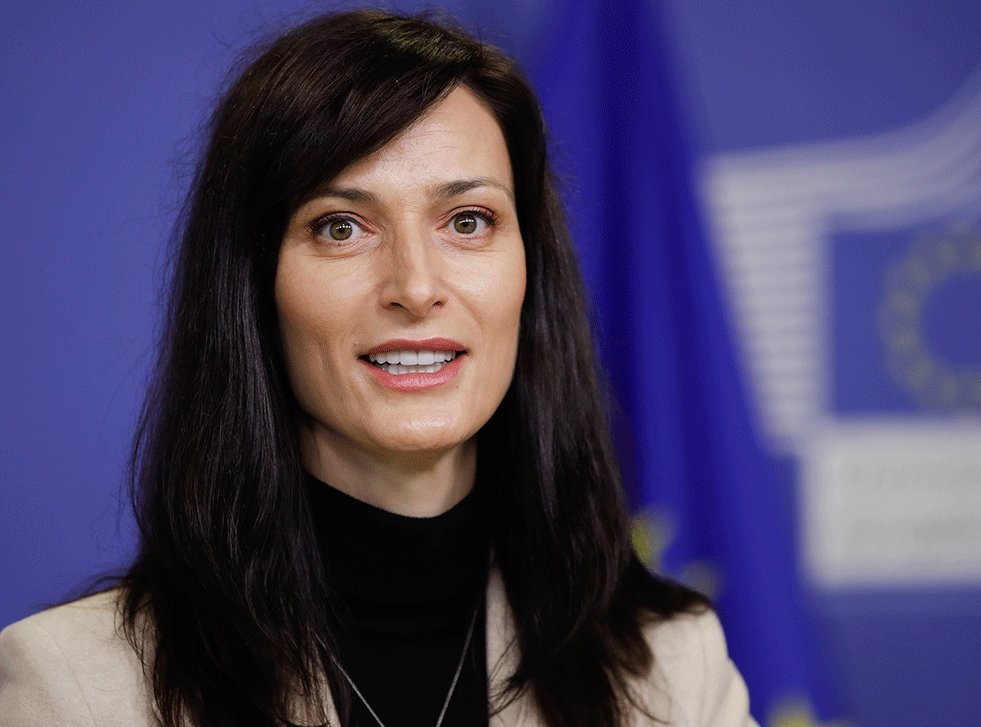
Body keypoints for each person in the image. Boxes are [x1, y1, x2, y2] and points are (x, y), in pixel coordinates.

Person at [0, 9, 757, 727]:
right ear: (253, 287)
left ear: (531, 272)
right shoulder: (76, 686)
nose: (416, 288)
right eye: (341, 227)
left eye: (468, 221)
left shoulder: (670, 665)